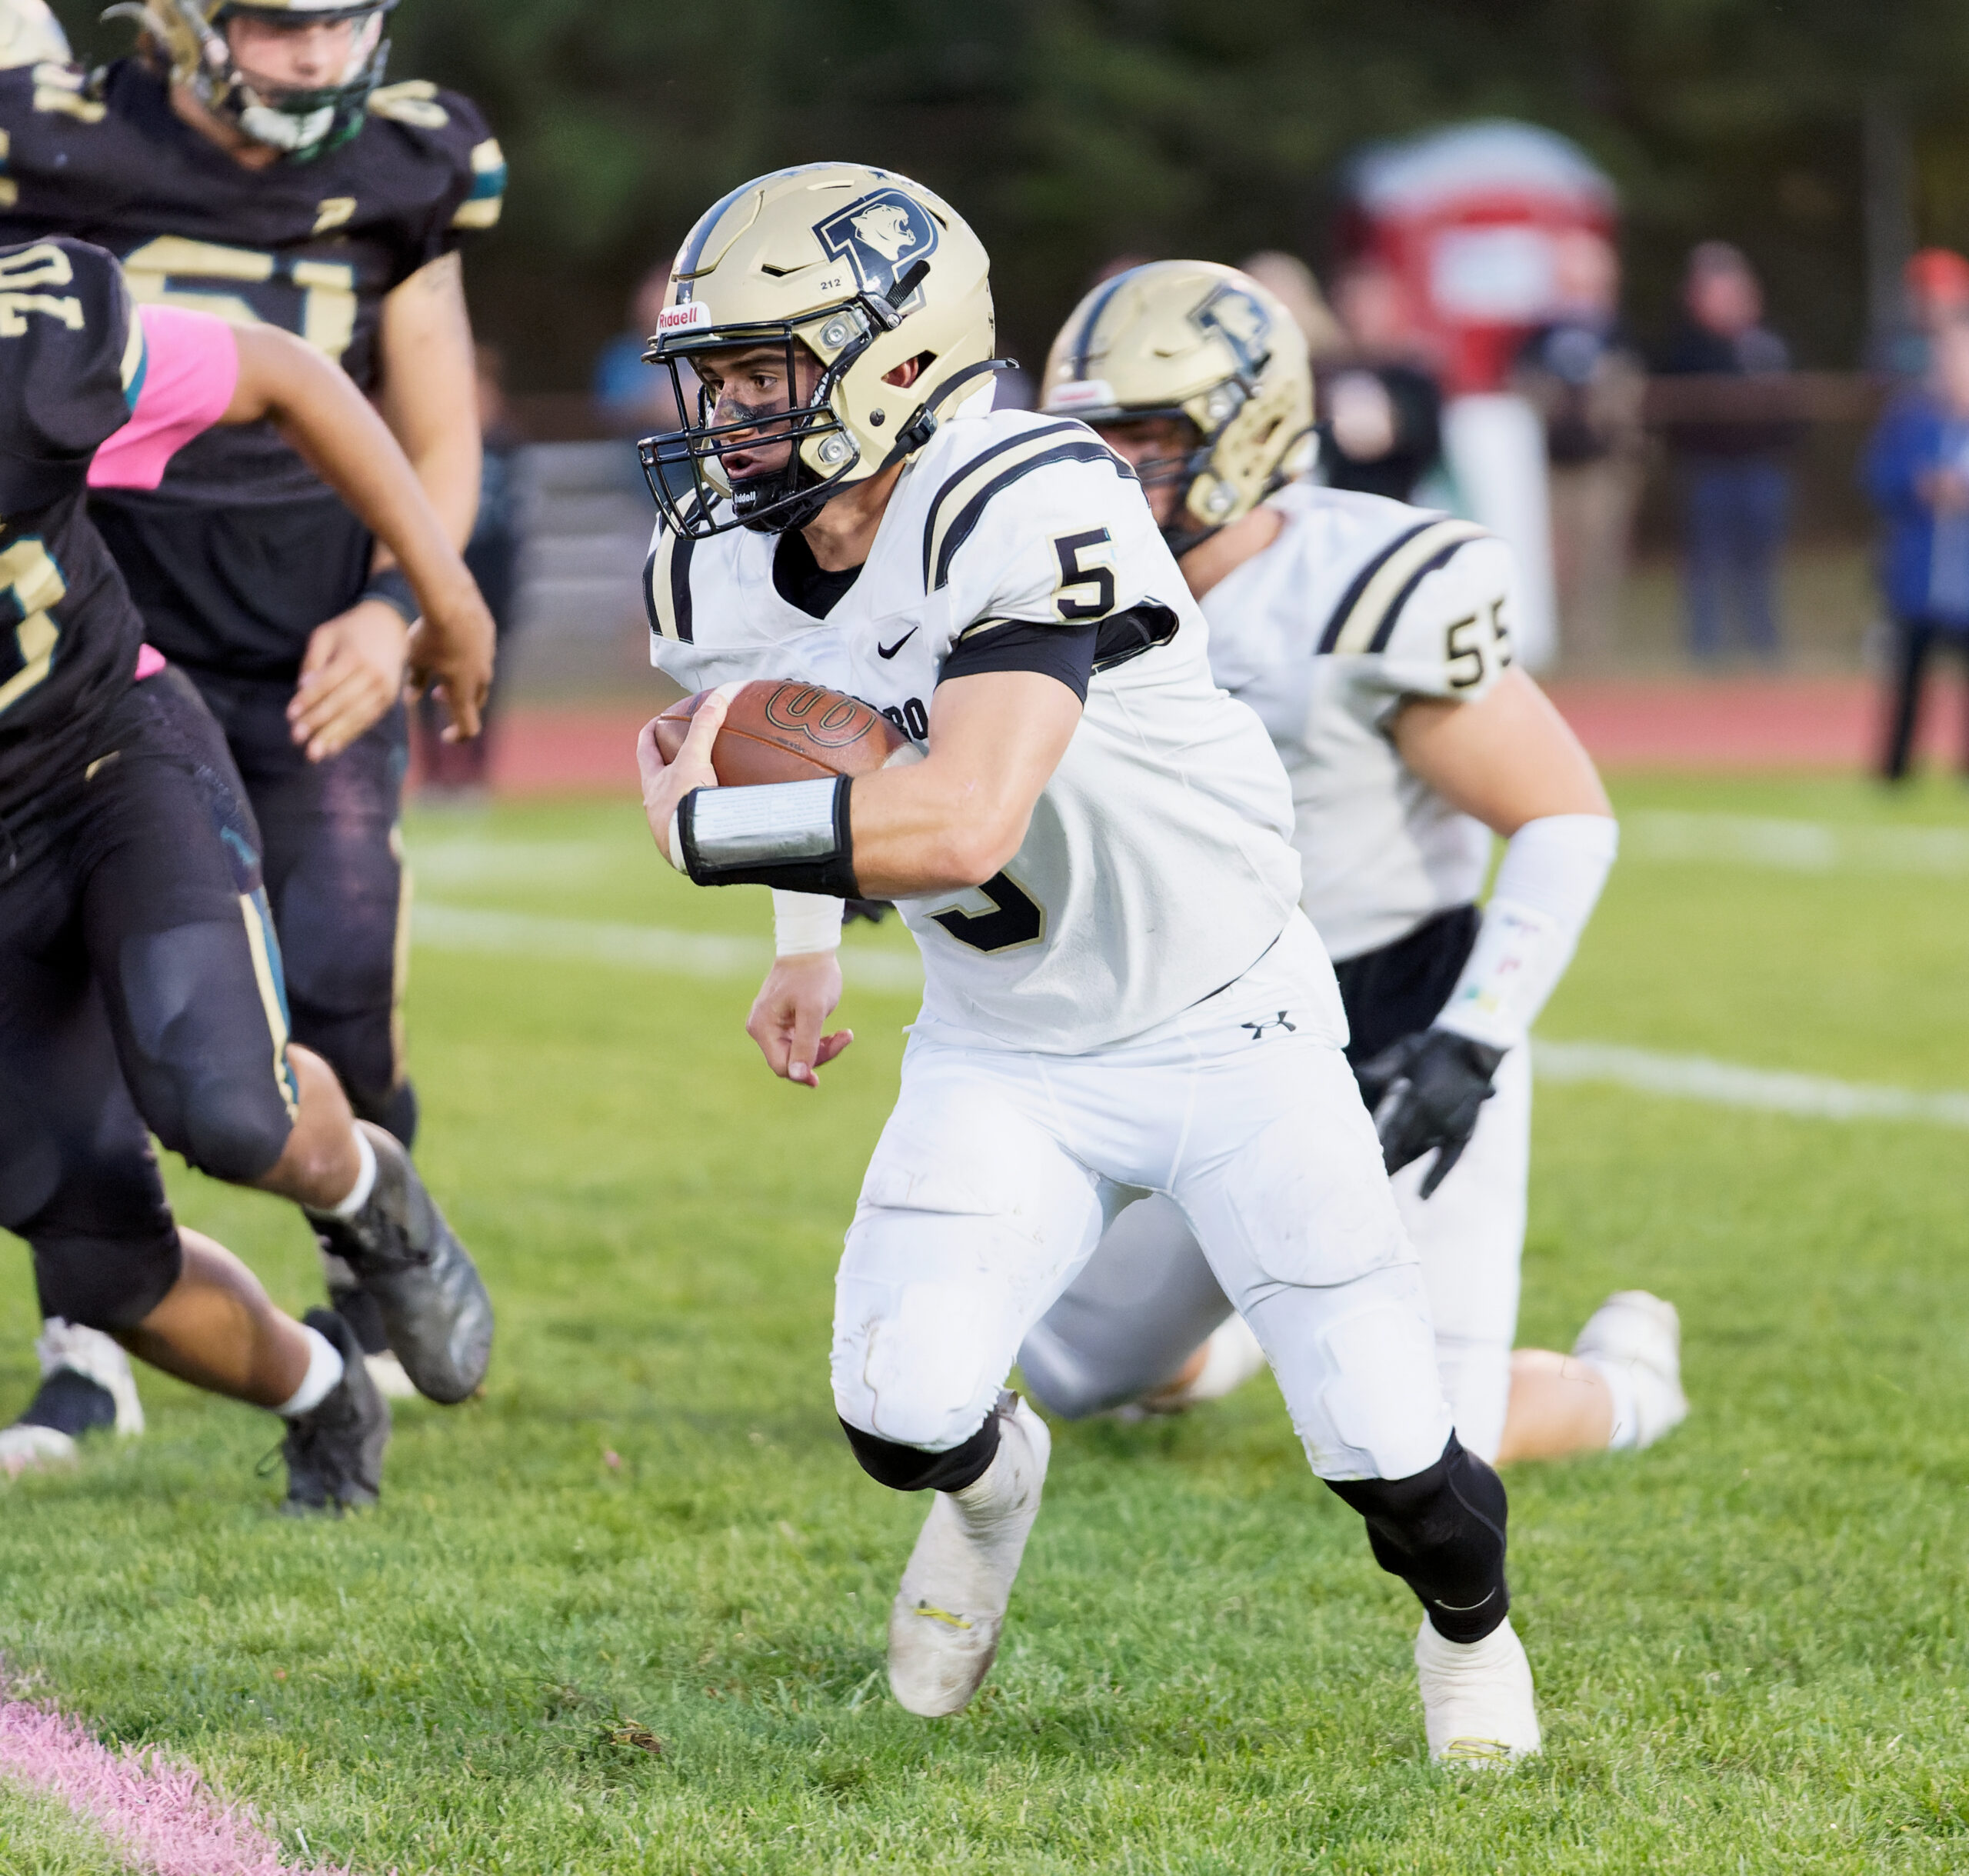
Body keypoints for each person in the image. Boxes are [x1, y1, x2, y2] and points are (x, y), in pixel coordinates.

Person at [635, 163, 1541, 1764]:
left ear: (894, 356)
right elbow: (786, 730)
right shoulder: (710, 564)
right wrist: (803, 948)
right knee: (897, 1404)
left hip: (1230, 1021)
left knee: (1386, 1444)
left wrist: (706, 843)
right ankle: (993, 1497)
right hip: (1005, 1043)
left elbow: (962, 818)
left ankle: (1467, 1632)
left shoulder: (1027, 492)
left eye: (763, 371)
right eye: (712, 376)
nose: (727, 415)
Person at [1020, 259, 1687, 1471]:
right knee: (1068, 1371)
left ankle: (1630, 1379)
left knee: (1429, 1436)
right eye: (1089, 442)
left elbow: (1564, 816)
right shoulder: (1051, 593)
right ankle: (1238, 1330)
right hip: (1193, 1025)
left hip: (1392, 1021)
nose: (1111, 473)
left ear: (1250, 430)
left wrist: (1475, 1037)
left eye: (1147, 438)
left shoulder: (1359, 592)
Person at [0, 0, 504, 1416]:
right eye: (282, 24)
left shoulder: (406, 168)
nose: (317, 57)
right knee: (73, 1064)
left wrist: (414, 603)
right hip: (111, 588)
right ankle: (92, 1343)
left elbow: (428, 421)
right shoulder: (55, 140)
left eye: (342, 23)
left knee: (317, 995)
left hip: (272, 635)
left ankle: (365, 1257)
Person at [1657, 242, 1797, 663]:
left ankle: (1764, 647)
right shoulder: (1687, 349)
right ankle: (1708, 653)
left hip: (1761, 469)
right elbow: (1672, 413)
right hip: (1708, 470)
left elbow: (1794, 405)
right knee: (1707, 565)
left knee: (1760, 564)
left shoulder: (1767, 346)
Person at [1511, 231, 1647, 664]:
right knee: (1550, 559)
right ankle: (1547, 645)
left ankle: (1589, 648)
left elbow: (1635, 394)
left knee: (1596, 559)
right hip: (1549, 465)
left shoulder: (1618, 332)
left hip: (1599, 466)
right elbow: (1521, 387)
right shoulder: (1539, 334)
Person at [1863, 315, 1969, 781]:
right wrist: (1918, 486)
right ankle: (1895, 772)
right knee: (1908, 678)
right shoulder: (1912, 416)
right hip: (1919, 575)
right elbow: (1876, 476)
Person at [417, 342, 521, 795]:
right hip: (443, 572)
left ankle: (475, 769)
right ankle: (435, 770)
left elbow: (517, 522)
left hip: (491, 576)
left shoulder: (507, 444)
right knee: (427, 674)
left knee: (485, 677)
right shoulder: (434, 446)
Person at [1319, 256, 1444, 502]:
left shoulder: (1412, 373)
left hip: (1400, 499)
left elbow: (1428, 444)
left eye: (1369, 305)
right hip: (1339, 500)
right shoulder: (1325, 371)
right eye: (1353, 305)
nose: (1360, 316)